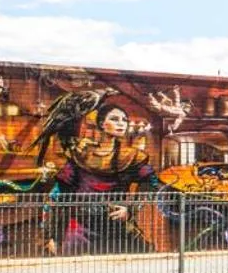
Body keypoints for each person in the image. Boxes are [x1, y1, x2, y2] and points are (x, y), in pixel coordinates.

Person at [43, 98, 159, 254]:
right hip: (81, 227)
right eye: (114, 119)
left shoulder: (132, 156)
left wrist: (130, 208)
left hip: (116, 226)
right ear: (102, 124)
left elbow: (151, 183)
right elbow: (58, 194)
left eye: (124, 120)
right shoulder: (81, 155)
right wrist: (53, 236)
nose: (121, 123)